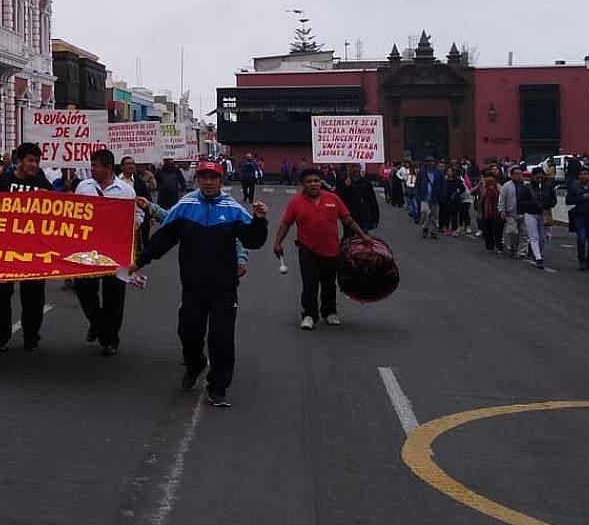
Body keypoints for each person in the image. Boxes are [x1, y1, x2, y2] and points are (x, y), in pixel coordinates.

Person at [129, 160, 268, 407]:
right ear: (198, 180)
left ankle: (218, 386)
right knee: (188, 332)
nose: (208, 182)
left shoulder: (233, 209)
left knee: (221, 338)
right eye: (204, 177)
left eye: (213, 178)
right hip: (193, 286)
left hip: (224, 287)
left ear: (221, 181)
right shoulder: (185, 207)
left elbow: (253, 240)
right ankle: (195, 365)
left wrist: (259, 220)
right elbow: (164, 238)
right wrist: (140, 261)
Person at [273, 166, 373, 330]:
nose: (313, 184)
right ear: (303, 185)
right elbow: (286, 223)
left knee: (329, 284)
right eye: (309, 182)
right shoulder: (296, 203)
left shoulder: (333, 199)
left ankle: (329, 312)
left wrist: (363, 236)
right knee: (310, 284)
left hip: (331, 250)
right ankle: (309, 315)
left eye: (316, 181)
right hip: (307, 251)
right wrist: (278, 243)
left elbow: (347, 220)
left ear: (321, 182)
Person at [73, 150, 142, 356]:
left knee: (114, 296)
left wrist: (129, 226)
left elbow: (137, 216)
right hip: (88, 249)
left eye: (96, 166)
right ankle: (97, 323)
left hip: (116, 250)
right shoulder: (84, 187)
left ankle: (110, 339)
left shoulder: (126, 191)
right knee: (84, 290)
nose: (92, 169)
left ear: (108, 168)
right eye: (92, 165)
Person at [0, 142, 51, 351]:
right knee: (1, 294)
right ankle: (1, 336)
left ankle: (31, 337)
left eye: (37, 161)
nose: (34, 165)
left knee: (34, 297)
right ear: (19, 161)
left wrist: (50, 198)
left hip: (34, 249)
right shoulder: (2, 182)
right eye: (30, 160)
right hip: (4, 248)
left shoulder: (43, 184)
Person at [565, 167, 589, 270]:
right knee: (581, 238)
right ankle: (582, 259)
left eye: (585, 174)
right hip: (580, 216)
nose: (583, 176)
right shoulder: (574, 187)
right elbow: (568, 201)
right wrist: (581, 198)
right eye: (581, 174)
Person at [519, 167, 557, 268]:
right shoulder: (527, 188)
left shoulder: (548, 187)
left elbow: (554, 200)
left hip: (543, 214)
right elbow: (521, 201)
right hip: (530, 213)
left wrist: (547, 205)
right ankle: (538, 257)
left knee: (542, 237)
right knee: (534, 236)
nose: (539, 177)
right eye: (537, 175)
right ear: (533, 176)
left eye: (541, 175)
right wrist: (531, 205)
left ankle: (539, 254)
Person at [337, 164, 380, 232]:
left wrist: (375, 219)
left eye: (357, 166)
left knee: (363, 236)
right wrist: (345, 187)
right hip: (349, 217)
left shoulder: (366, 183)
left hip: (363, 217)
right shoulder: (343, 182)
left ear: (360, 168)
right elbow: (338, 198)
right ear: (349, 168)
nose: (355, 169)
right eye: (353, 166)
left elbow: (372, 201)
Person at [499, 166, 528, 259]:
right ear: (511, 175)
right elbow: (502, 199)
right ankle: (512, 247)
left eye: (520, 174)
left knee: (524, 234)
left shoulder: (526, 185)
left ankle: (523, 252)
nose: (518, 176)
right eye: (516, 174)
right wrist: (502, 210)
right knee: (512, 232)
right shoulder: (506, 186)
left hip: (525, 213)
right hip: (511, 213)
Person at [414, 157, 445, 239]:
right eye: (429, 162)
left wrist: (441, 194)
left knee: (434, 215)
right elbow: (417, 183)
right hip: (424, 197)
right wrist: (417, 193)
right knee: (424, 213)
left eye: (432, 162)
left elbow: (443, 184)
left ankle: (433, 231)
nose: (431, 163)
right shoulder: (422, 172)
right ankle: (425, 228)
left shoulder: (439, 172)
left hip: (435, 197)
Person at [475, 173, 505, 253]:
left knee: (498, 231)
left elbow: (503, 198)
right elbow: (473, 193)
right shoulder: (482, 188)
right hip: (486, 212)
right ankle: (489, 247)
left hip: (497, 212)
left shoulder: (499, 188)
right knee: (488, 230)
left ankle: (499, 247)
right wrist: (479, 185)